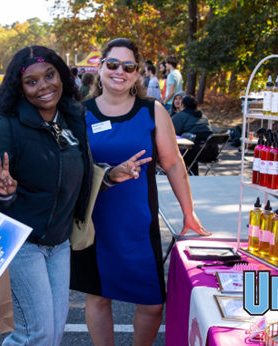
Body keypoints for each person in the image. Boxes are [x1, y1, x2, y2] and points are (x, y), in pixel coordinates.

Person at [0, 46, 148, 346]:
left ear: (61, 75)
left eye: (50, 75)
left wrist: (108, 176)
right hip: (21, 243)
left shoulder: (71, 116)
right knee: (35, 334)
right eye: (32, 81)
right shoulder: (5, 126)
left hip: (59, 243)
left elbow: (76, 173)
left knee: (53, 333)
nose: (44, 86)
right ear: (20, 87)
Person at [71, 38, 210, 346]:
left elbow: (173, 164)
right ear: (100, 66)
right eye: (113, 64)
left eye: (129, 66)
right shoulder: (80, 113)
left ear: (137, 74)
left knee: (151, 304)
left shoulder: (152, 110)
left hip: (138, 222)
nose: (120, 71)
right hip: (96, 222)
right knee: (98, 297)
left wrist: (189, 212)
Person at [171, 95, 214, 175]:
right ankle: (193, 174)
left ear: (182, 105)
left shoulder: (179, 116)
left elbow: (171, 133)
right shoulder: (204, 117)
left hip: (192, 152)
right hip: (211, 151)